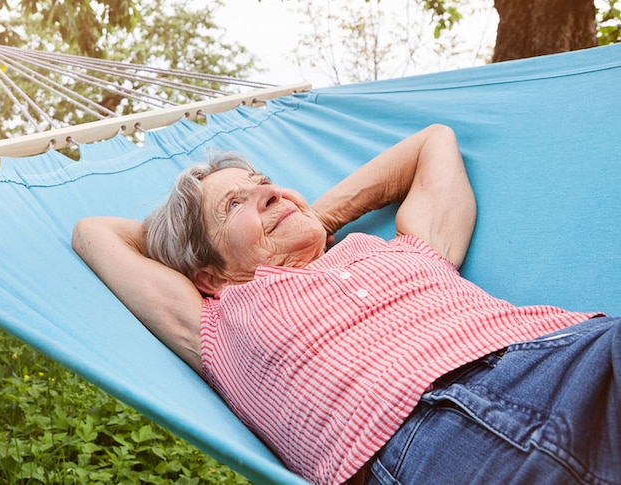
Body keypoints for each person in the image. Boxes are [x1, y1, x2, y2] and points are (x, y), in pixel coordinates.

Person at [72, 124, 620, 485]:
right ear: (208, 274)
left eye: (267, 182)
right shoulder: (216, 320)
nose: (271, 191)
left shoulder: (405, 249)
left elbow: (433, 142)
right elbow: (94, 232)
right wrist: (200, 233)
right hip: (427, 433)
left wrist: (316, 218)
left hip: (569, 352)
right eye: (233, 203)